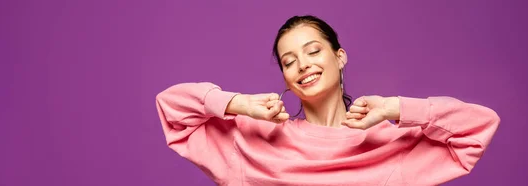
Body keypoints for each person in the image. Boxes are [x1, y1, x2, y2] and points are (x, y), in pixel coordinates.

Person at [155, 15, 500, 186]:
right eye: (289, 61)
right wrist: (239, 104)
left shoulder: (390, 146)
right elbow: (172, 107)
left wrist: (395, 108)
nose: (303, 64)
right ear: (286, 77)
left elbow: (477, 126)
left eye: (313, 51)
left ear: (340, 57)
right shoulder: (249, 144)